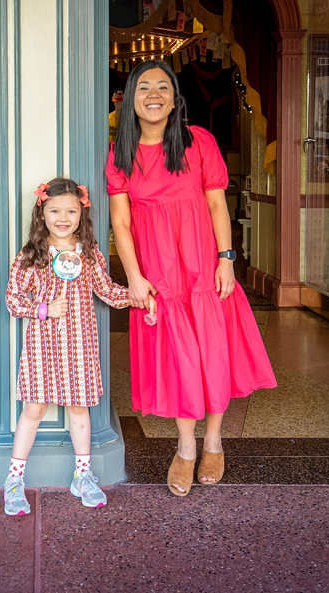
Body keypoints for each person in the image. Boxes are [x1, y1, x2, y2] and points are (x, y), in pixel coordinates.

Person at [107, 59, 276, 498]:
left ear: (175, 97)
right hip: (159, 273)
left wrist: (226, 259)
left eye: (163, 86)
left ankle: (214, 441)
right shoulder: (120, 153)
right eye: (144, 87)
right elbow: (121, 225)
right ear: (130, 99)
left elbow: (217, 205)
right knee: (180, 358)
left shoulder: (198, 142)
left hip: (203, 265)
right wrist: (135, 278)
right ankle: (185, 447)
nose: (154, 94)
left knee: (212, 352)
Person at [2, 177, 138, 515]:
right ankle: (14, 479)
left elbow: (106, 291)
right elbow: (12, 300)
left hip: (79, 346)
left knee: (80, 410)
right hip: (42, 346)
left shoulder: (89, 255)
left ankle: (83, 475)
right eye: (55, 210)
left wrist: (138, 296)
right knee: (33, 410)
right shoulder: (31, 255)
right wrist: (44, 309)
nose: (63, 218)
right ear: (42, 213)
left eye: (71, 211)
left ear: (82, 215)